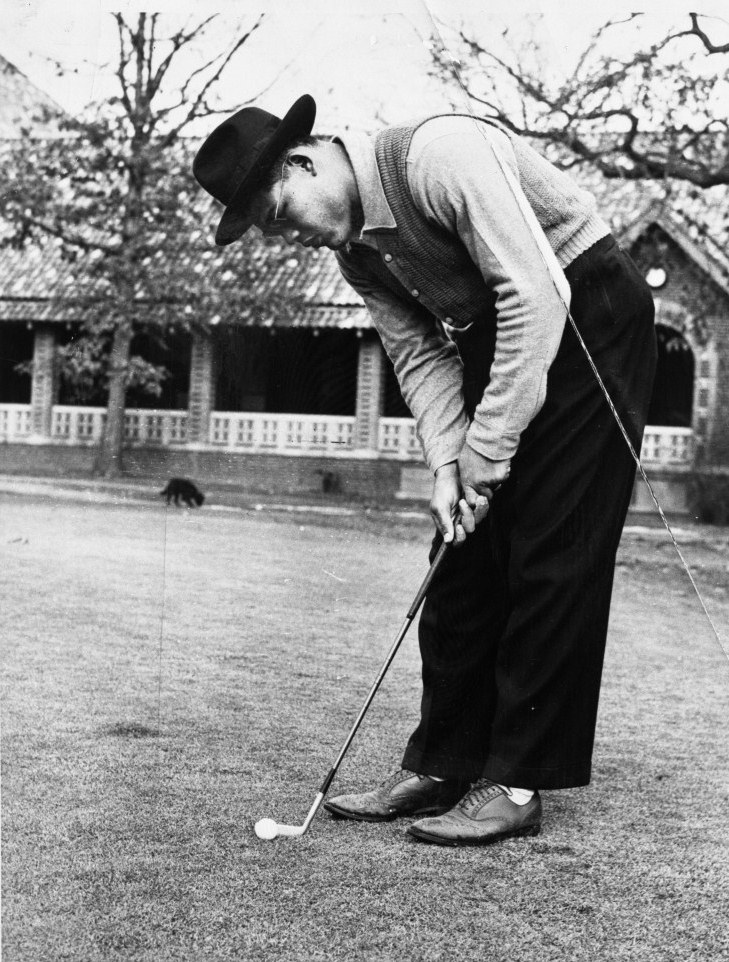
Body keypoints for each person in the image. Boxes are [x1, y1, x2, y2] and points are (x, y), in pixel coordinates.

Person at [192, 94, 657, 847]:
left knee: (552, 548)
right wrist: (448, 462)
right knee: (460, 545)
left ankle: (515, 782)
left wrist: (488, 449)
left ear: (303, 163)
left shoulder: (439, 157)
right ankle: (444, 761)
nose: (288, 238)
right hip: (501, 334)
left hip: (588, 315)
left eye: (278, 215)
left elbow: (538, 295)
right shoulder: (356, 252)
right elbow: (417, 353)